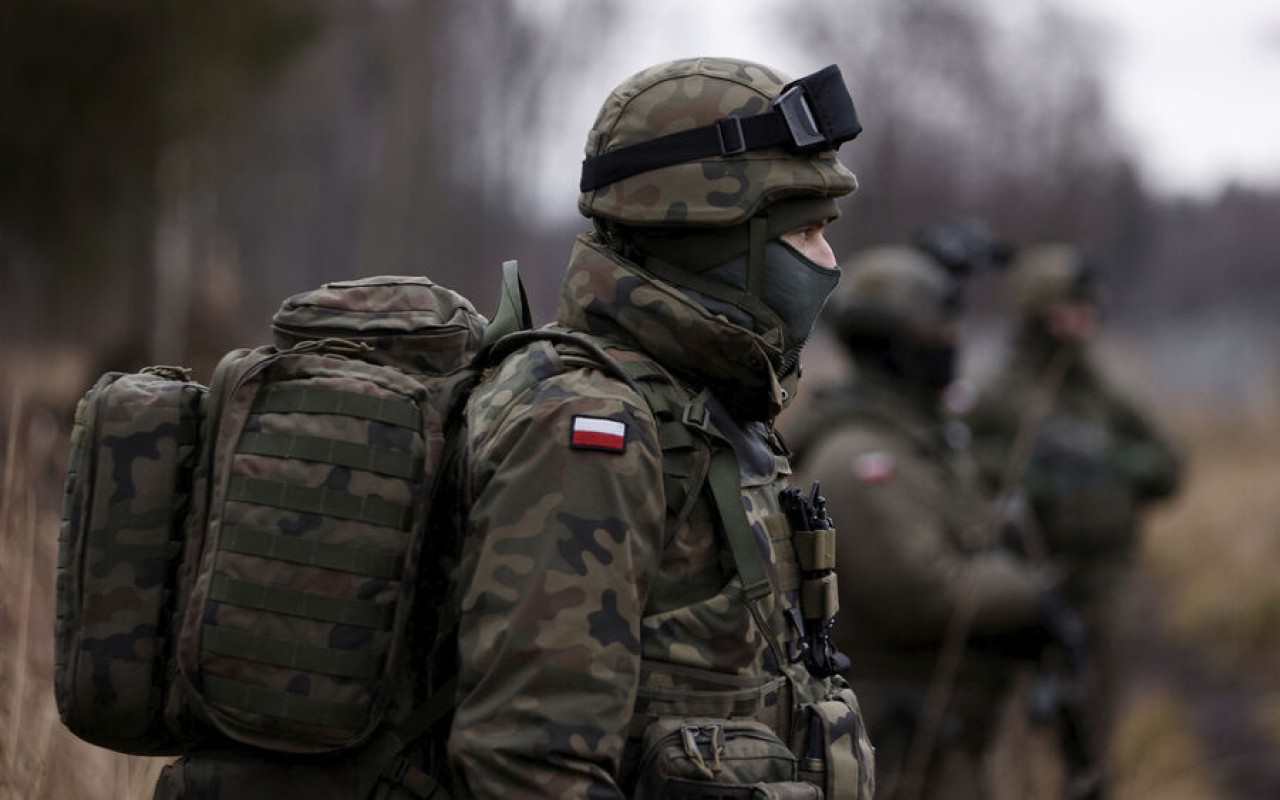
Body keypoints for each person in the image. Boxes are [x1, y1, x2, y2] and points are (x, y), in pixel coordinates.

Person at [447, 57, 876, 798]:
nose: (828, 261)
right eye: (804, 232)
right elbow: (528, 766)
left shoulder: (701, 406)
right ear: (712, 240)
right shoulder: (589, 427)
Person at [788, 245, 1083, 800]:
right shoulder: (859, 456)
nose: (953, 340)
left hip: (948, 735)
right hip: (898, 745)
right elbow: (925, 591)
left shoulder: (921, 438)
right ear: (894, 344)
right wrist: (1030, 592)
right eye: (938, 330)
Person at [965, 243, 1182, 758]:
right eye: (1068, 308)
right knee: (1020, 729)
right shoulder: (997, 393)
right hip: (1026, 585)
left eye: (1087, 308)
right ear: (1037, 313)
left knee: (1097, 724)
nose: (1082, 320)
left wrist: (1109, 464)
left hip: (1106, 582)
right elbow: (960, 470)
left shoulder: (1103, 391)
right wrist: (1031, 478)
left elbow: (1167, 467)